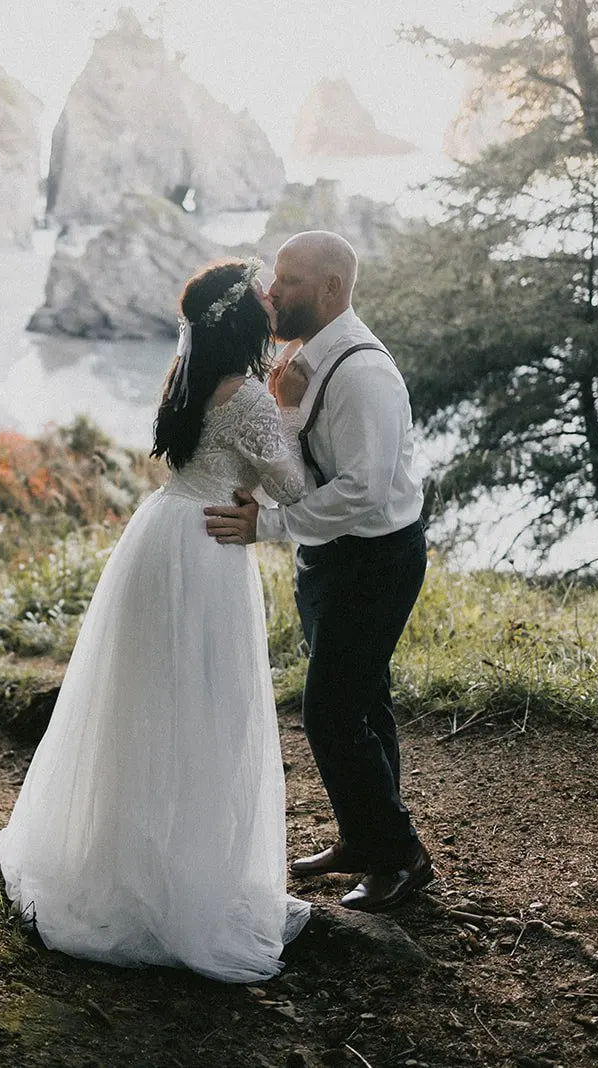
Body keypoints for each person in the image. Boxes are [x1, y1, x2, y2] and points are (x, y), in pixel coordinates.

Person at [0, 258, 313, 982]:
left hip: (162, 533)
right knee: (204, 712)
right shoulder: (252, 395)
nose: (270, 298)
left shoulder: (187, 377)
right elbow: (292, 486)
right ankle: (183, 884)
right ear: (245, 317)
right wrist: (293, 411)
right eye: (261, 291)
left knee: (147, 705)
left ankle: (130, 861)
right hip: (207, 549)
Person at [204, 231, 432, 913]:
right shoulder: (305, 362)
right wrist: (289, 408)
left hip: (376, 560)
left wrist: (267, 526)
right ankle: (363, 839)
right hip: (331, 557)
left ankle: (402, 858)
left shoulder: (363, 374)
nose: (272, 293)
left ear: (332, 289)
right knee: (362, 704)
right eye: (276, 279)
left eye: (291, 281)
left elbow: (362, 489)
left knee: (331, 714)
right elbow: (301, 469)